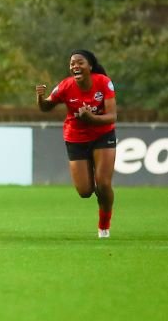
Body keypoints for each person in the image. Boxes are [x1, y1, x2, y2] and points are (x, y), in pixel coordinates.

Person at [36, 49, 117, 238]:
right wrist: (40, 97)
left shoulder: (103, 82)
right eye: (72, 63)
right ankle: (100, 199)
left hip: (102, 135)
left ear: (90, 66)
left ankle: (104, 226)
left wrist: (91, 118)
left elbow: (112, 116)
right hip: (76, 138)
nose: (75, 66)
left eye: (79, 62)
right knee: (85, 191)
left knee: (103, 184)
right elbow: (46, 107)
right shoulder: (65, 86)